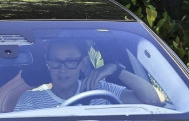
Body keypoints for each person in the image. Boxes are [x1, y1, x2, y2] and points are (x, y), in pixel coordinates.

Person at [13, 39, 162, 112]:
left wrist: (115, 69)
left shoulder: (102, 92)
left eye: (71, 62)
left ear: (83, 63)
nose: (62, 69)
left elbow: (153, 100)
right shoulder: (30, 100)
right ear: (48, 64)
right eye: (55, 61)